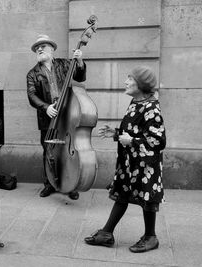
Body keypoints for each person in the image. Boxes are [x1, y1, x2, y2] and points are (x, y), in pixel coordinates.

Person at [84, 66, 166, 253]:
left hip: (146, 165)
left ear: (141, 84)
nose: (126, 82)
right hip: (129, 162)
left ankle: (151, 237)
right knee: (122, 194)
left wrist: (133, 141)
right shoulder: (135, 102)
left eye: (130, 79)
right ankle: (106, 233)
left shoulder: (152, 107)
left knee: (148, 198)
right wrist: (117, 133)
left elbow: (158, 141)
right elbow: (135, 130)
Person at [26, 34, 87, 200]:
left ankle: (70, 184)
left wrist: (80, 62)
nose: (39, 49)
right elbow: (32, 95)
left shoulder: (65, 64)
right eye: (37, 48)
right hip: (48, 119)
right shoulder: (32, 74)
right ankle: (49, 184)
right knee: (49, 152)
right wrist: (46, 108)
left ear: (52, 49)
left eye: (43, 46)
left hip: (67, 116)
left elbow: (80, 77)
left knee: (67, 152)